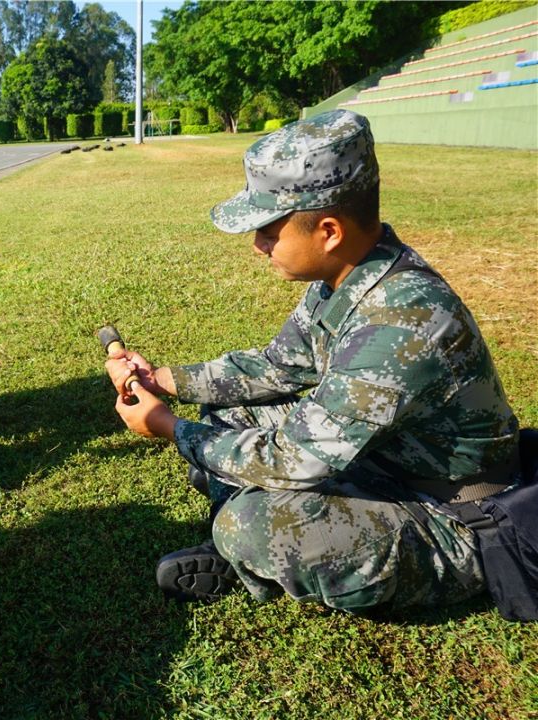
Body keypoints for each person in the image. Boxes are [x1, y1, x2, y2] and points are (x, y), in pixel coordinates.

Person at [105, 110, 522, 614]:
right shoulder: (347, 278)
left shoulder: (402, 324)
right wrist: (163, 380)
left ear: (328, 230)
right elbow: (277, 368)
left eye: (268, 229)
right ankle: (237, 509)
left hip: (453, 516)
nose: (258, 245)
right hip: (383, 462)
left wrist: (169, 428)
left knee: (250, 525)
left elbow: (292, 460)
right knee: (228, 421)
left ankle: (244, 551)